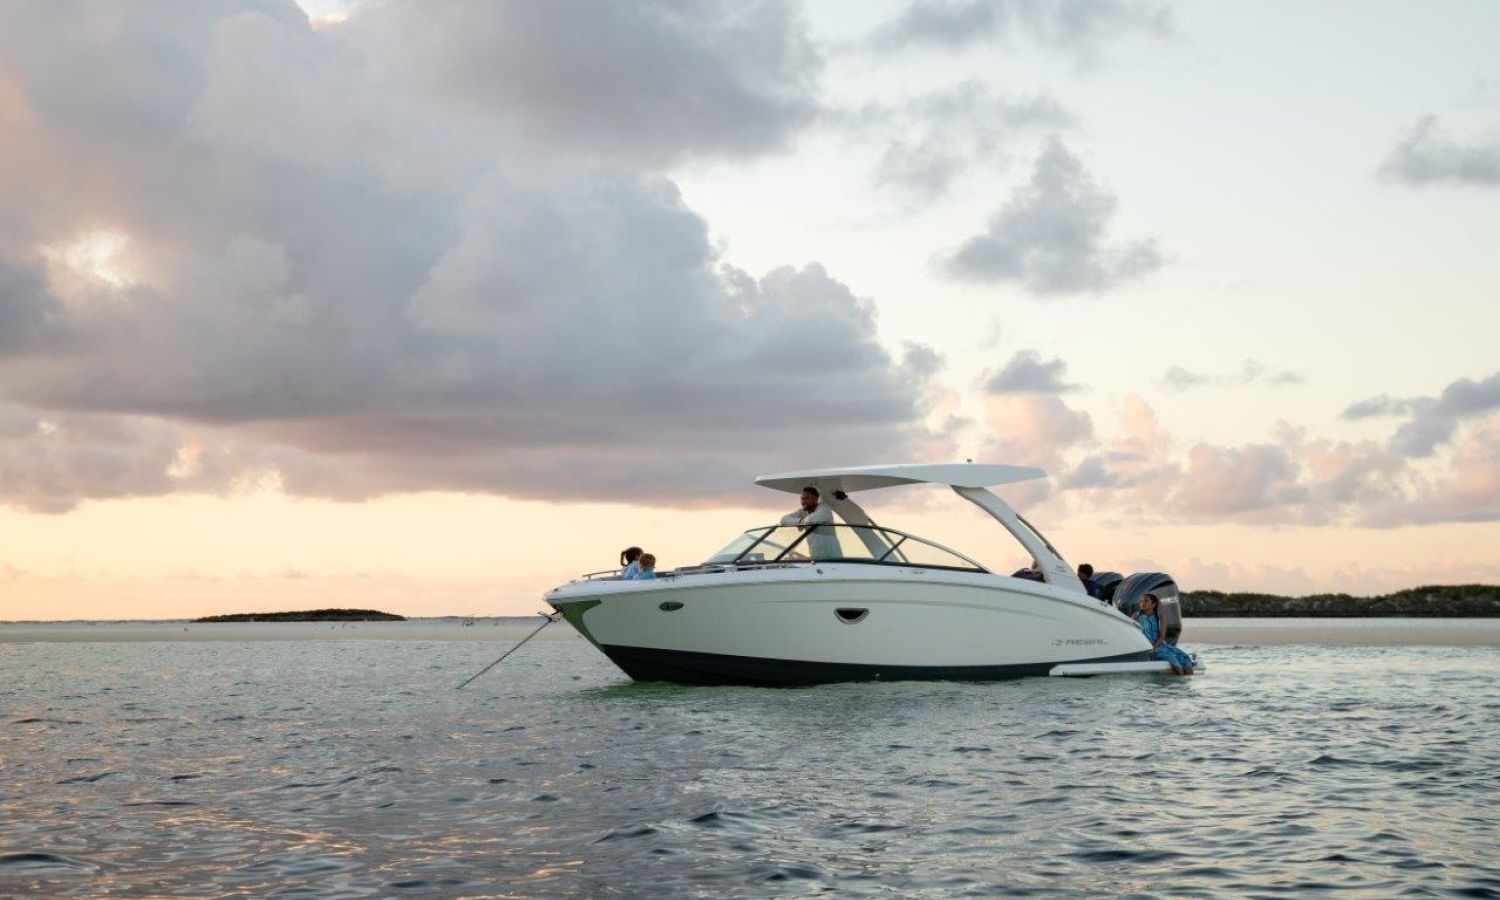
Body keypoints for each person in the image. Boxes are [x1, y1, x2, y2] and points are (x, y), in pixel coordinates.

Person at [1133, 593, 1194, 675]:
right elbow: (1135, 634)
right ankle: (1180, 680)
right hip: (1147, 646)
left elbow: (1162, 636)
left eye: (1146, 601)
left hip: (1160, 645)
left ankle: (1188, 681)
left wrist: (1154, 647)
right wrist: (1149, 649)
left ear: (1154, 604)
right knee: (1174, 661)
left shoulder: (1161, 616)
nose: (1142, 603)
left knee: (1185, 658)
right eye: (1141, 601)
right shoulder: (1136, 616)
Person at [781, 485, 838, 559]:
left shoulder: (825, 509)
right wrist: (800, 521)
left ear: (816, 499)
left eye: (807, 499)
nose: (803, 502)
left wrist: (800, 523)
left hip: (833, 558)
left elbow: (810, 521)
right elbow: (783, 520)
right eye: (802, 499)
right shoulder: (803, 511)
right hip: (815, 558)